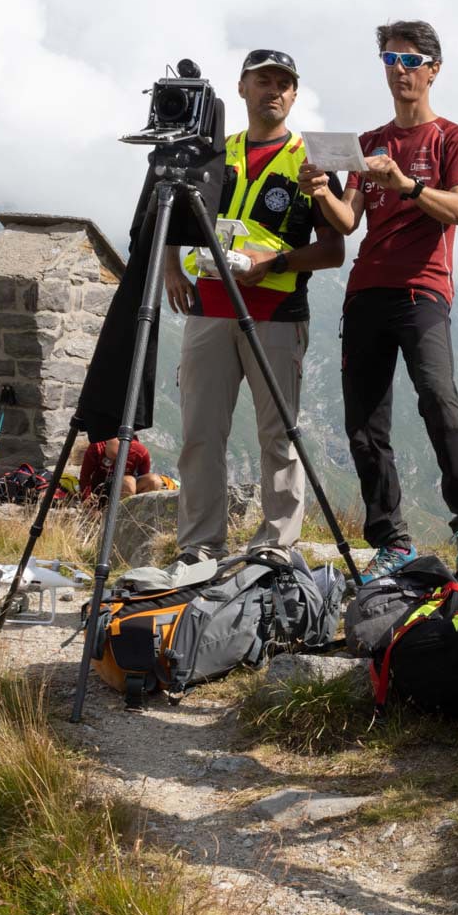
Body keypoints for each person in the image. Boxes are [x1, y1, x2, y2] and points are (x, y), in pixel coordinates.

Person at [309, 21, 458, 578]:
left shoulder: (453, 137)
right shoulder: (368, 144)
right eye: (390, 59)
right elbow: (347, 220)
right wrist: (320, 190)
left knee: (439, 398)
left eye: (411, 61)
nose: (399, 70)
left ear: (434, 69)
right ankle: (391, 541)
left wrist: (407, 186)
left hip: (423, 289)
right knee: (364, 422)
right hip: (366, 289)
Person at [164, 49, 345, 563]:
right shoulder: (216, 151)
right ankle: (199, 546)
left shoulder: (310, 160)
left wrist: (277, 261)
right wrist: (171, 268)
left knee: (279, 435)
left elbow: (335, 249)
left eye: (285, 84)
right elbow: (174, 211)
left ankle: (276, 547)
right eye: (263, 81)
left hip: (277, 312)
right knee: (200, 434)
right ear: (241, 88)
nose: (275, 92)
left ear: (295, 93)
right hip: (209, 309)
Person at [77, 436, 165, 500]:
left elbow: (144, 477)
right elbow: (85, 476)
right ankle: (114, 516)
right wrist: (87, 500)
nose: (114, 464)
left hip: (127, 490)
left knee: (154, 481)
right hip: (100, 488)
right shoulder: (96, 447)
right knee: (128, 483)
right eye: (110, 459)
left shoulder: (140, 453)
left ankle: (135, 511)